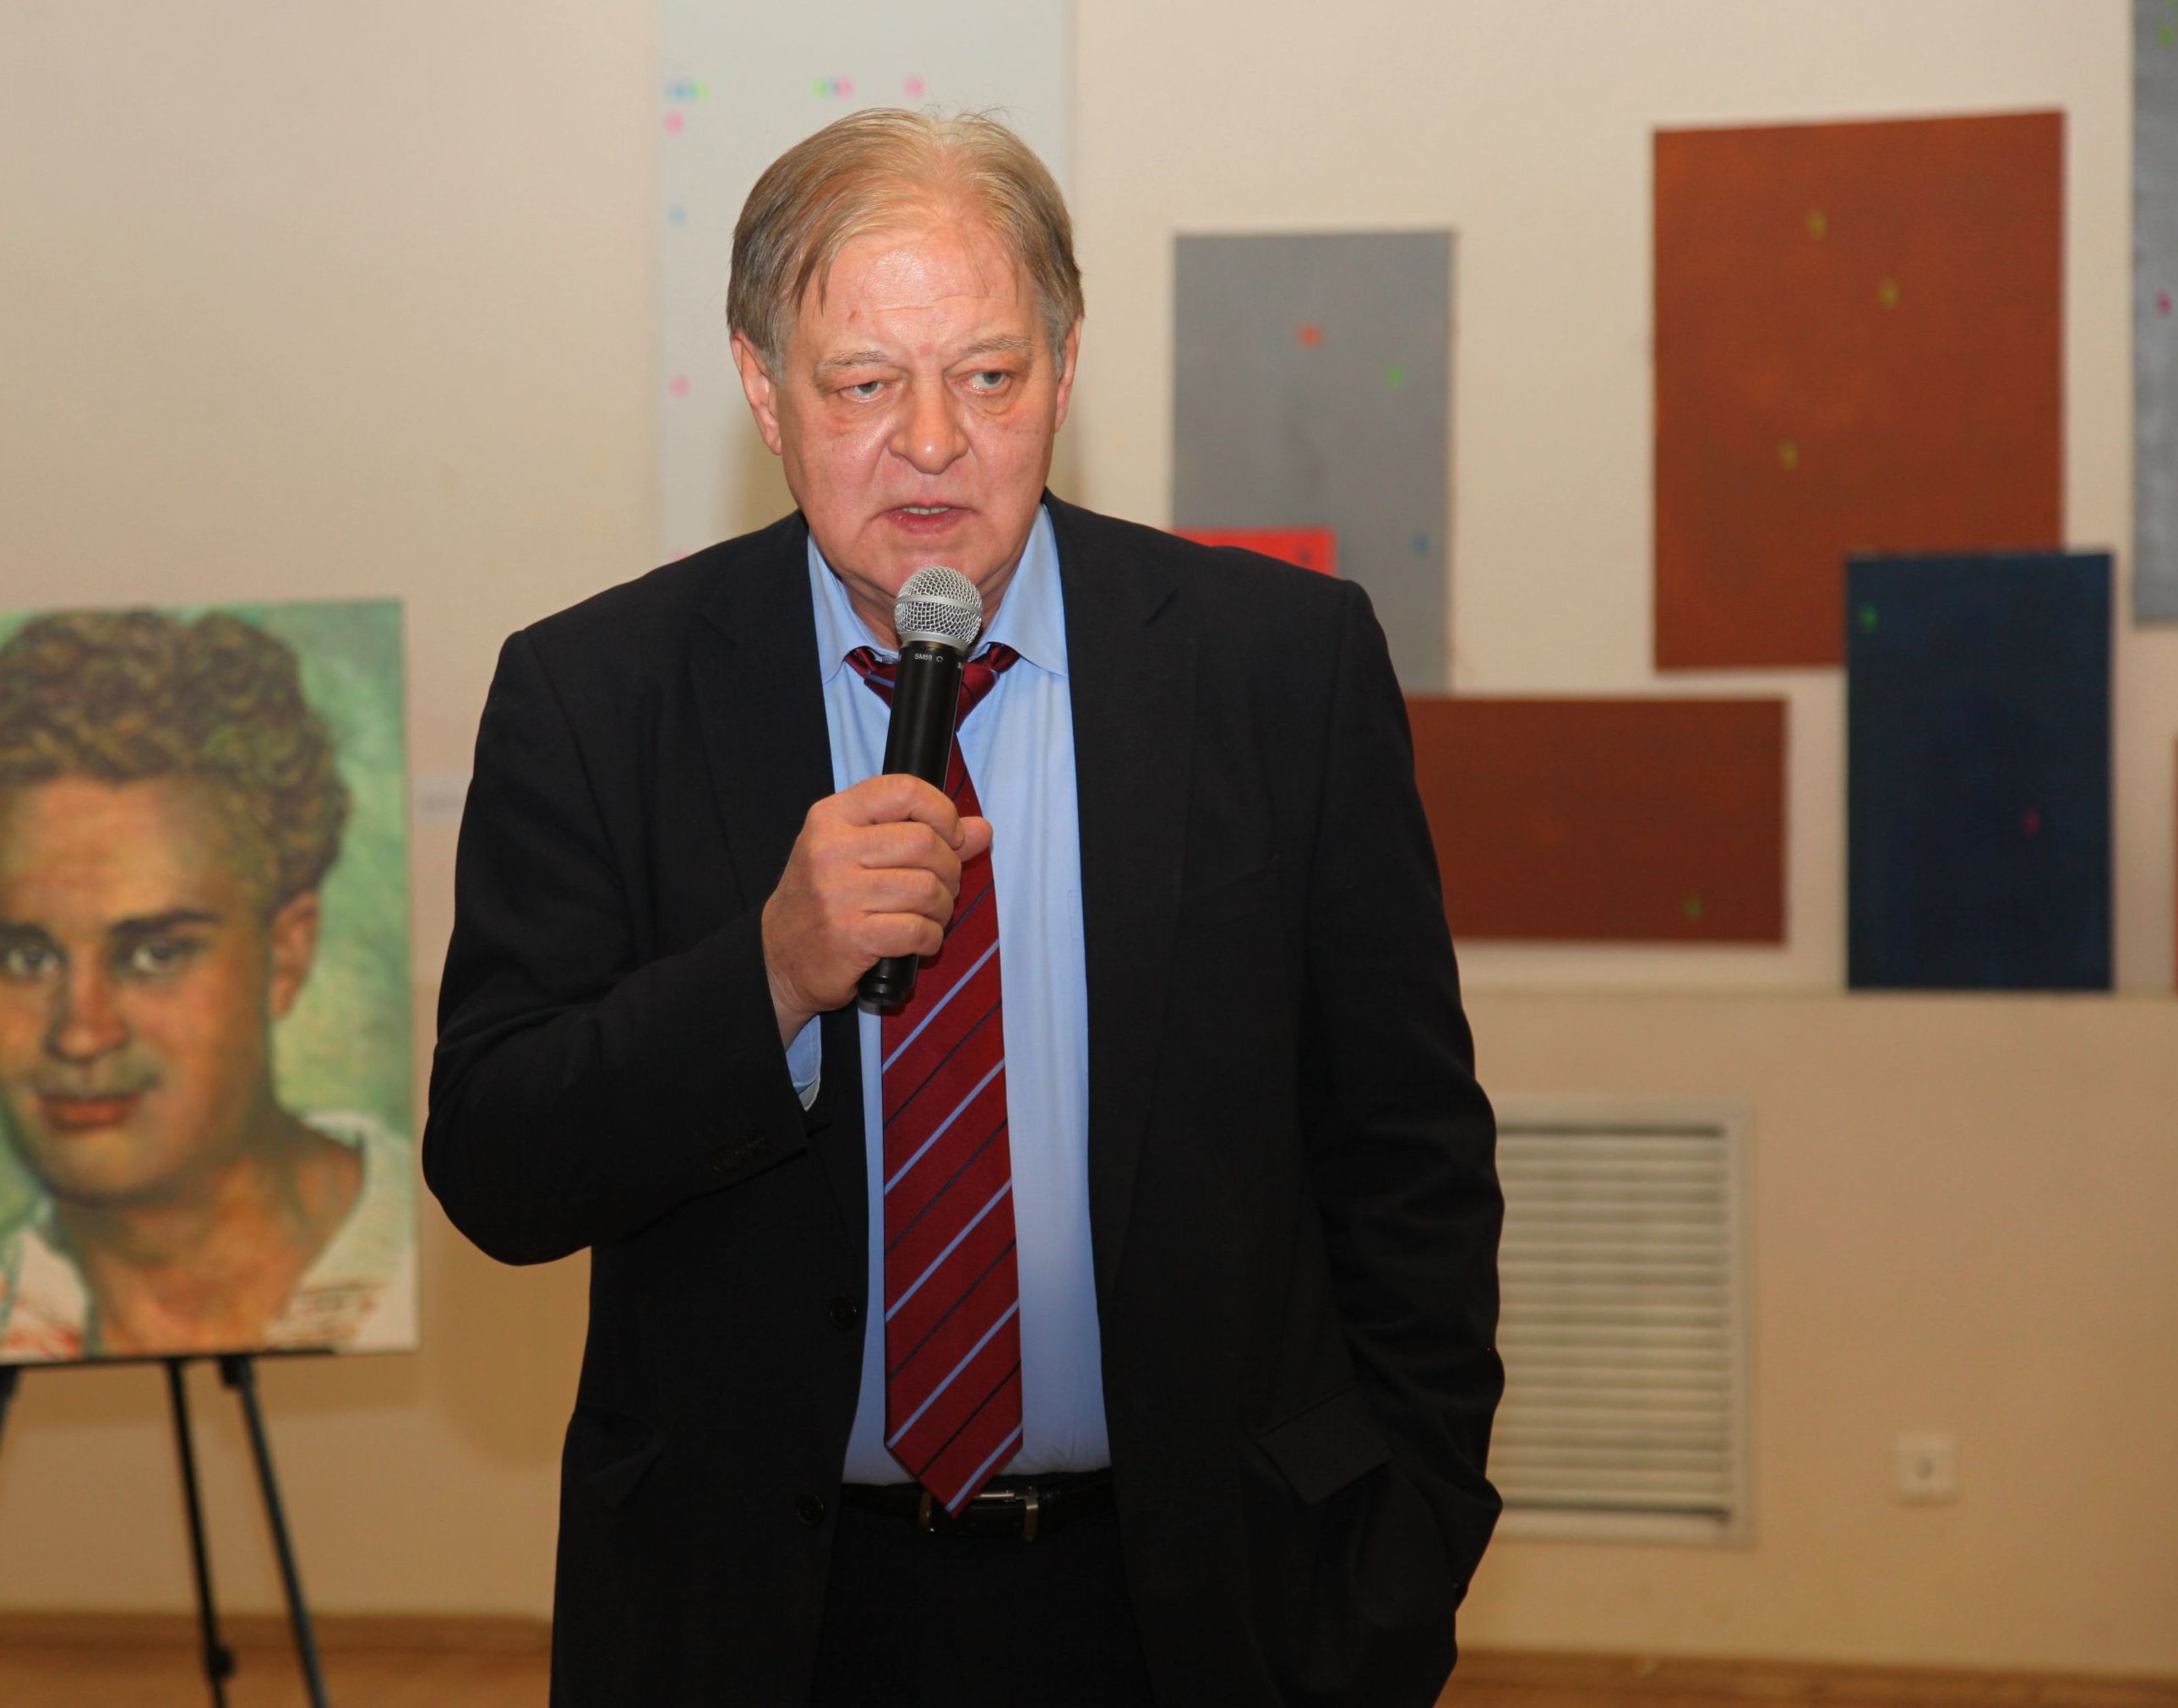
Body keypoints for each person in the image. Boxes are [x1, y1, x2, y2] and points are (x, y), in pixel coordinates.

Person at [427, 109, 1500, 1705]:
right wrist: (768, 975)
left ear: (1064, 373)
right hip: (765, 1618)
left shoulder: (1280, 668)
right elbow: (499, 1161)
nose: (931, 441)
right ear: (762, 390)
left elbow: (1409, 1156)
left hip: (1202, 1600)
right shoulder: (597, 694)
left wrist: (1399, 1565)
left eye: (988, 376)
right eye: (864, 382)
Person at [0, 609, 415, 1373]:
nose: (81, 1032)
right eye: (26, 958)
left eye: (154, 954)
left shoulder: (446, 1267)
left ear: (286, 955)